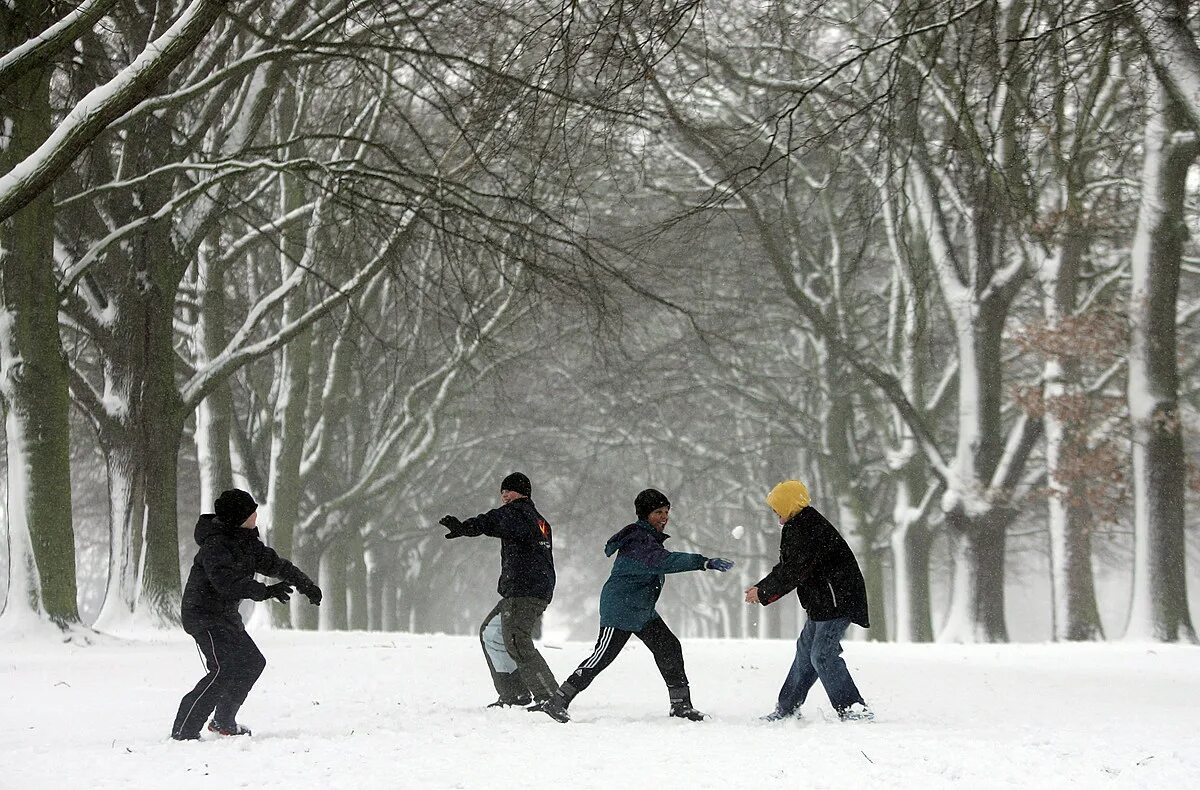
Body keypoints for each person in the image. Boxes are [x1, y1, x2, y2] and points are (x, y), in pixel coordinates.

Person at [535, 488, 734, 723]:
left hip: (641, 609)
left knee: (669, 647)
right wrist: (704, 562)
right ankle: (557, 701)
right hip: (620, 608)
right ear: (645, 514)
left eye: (667, 512)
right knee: (601, 657)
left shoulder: (647, 538)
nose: (664, 517)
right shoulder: (638, 540)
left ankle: (681, 705)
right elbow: (664, 561)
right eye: (658, 512)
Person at [170, 489, 323, 740]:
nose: (255, 516)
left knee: (252, 662)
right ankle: (184, 728)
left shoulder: (247, 541)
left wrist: (306, 585)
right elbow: (227, 583)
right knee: (224, 668)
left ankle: (223, 721)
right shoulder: (215, 545)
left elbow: (277, 565)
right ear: (239, 517)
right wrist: (264, 591)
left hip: (225, 616)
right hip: (202, 616)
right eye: (252, 512)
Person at [744, 479, 873, 722]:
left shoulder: (806, 528)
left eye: (777, 508)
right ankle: (787, 708)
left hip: (836, 602)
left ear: (789, 505)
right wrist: (762, 587)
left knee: (822, 655)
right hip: (823, 603)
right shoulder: (801, 524)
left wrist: (762, 593)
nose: (775, 514)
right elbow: (789, 567)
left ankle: (854, 709)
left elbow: (793, 571)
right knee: (806, 654)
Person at [439, 472, 559, 708]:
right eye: (502, 491)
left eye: (509, 490)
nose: (505, 495)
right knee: (491, 634)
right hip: (529, 589)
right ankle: (515, 694)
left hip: (523, 590)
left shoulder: (518, 512)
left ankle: (550, 696)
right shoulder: (539, 520)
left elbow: (491, 521)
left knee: (516, 639)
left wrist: (464, 527)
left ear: (523, 493)